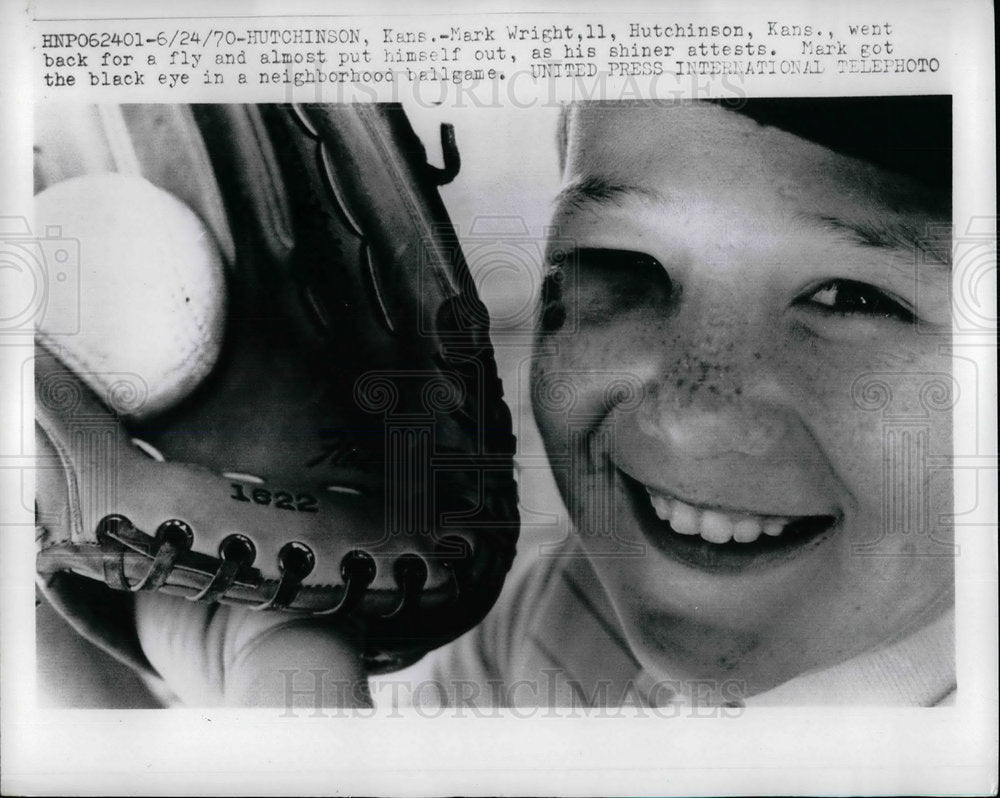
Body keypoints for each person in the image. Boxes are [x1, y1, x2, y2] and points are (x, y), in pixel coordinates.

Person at [59, 97, 960, 708]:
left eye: (851, 297)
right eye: (621, 264)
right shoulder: (558, 633)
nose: (691, 410)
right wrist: (271, 666)